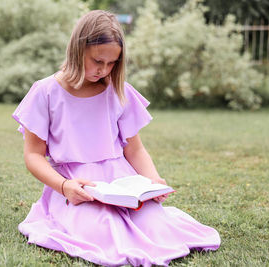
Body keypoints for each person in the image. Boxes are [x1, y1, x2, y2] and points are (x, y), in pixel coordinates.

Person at [12, 10, 220, 267]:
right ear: (78, 50)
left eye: (112, 63)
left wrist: (152, 180)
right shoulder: (45, 93)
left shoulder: (118, 92)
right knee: (101, 229)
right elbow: (33, 155)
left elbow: (135, 150)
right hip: (76, 186)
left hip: (121, 183)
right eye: (98, 60)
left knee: (155, 224)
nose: (104, 69)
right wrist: (65, 187)